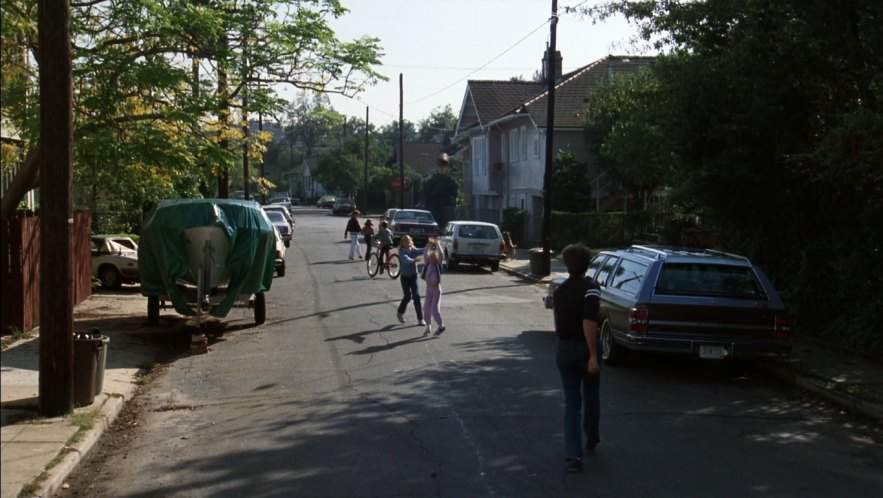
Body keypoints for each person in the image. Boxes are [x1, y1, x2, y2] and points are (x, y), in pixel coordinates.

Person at [552, 243, 602, 473]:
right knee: (591, 395)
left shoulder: (560, 291)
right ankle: (591, 437)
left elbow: (557, 324)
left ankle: (573, 454)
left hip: (564, 348)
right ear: (587, 264)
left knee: (572, 402)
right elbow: (589, 322)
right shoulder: (591, 289)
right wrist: (593, 355)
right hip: (584, 348)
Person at [396, 235, 425, 325]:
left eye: (409, 240)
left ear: (411, 241)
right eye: (405, 241)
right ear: (402, 243)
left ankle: (420, 319)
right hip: (404, 277)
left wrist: (429, 246)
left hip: (413, 276)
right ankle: (400, 313)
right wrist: (414, 260)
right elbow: (406, 259)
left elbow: (421, 251)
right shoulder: (401, 251)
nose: (408, 242)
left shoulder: (413, 249)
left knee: (416, 296)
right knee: (407, 296)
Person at [421, 238, 445, 334]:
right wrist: (428, 245)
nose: (432, 259)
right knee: (426, 308)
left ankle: (441, 326)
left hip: (436, 290)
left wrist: (438, 244)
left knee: (434, 310)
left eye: (434, 258)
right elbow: (425, 253)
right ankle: (428, 326)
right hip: (429, 290)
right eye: (431, 257)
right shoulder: (427, 264)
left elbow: (441, 255)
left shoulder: (437, 265)